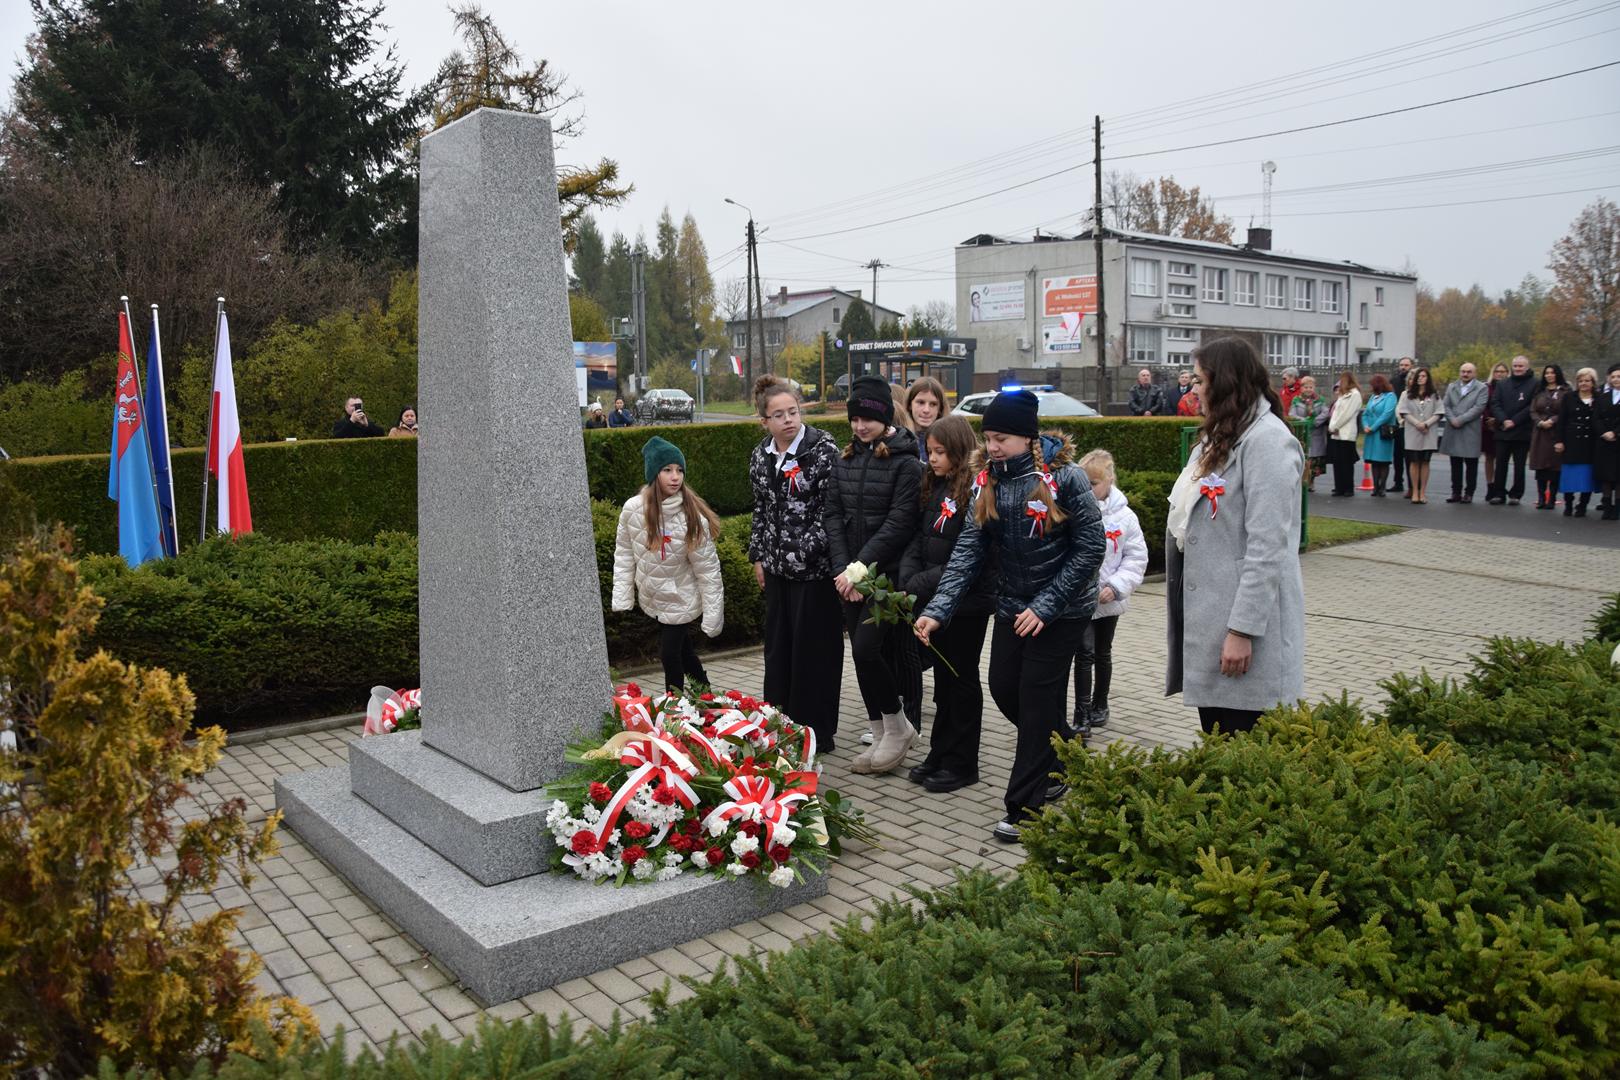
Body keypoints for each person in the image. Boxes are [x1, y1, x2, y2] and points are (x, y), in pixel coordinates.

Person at [913, 389, 1105, 844]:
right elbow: (968, 551)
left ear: (1028, 437)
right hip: (1013, 604)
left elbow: (1091, 548)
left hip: (1064, 609)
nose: (994, 446)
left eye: (1003, 438)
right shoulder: (988, 482)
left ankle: (1025, 807)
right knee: (1002, 685)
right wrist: (938, 610)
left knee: (1037, 699)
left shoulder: (1066, 479)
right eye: (990, 437)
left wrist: (1047, 605)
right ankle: (1062, 751)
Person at [1165, 336, 1305, 737]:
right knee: (1218, 739)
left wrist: (1242, 631)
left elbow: (1268, 549)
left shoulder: (1269, 443)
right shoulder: (1218, 438)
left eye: (1198, 380)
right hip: (1211, 622)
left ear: (1224, 382)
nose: (1193, 389)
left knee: (1244, 750)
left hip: (1243, 634)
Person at [828, 376, 924, 774]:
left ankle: (898, 727)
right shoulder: (845, 459)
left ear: (885, 417)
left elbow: (899, 524)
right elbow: (833, 515)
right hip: (848, 578)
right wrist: (842, 570)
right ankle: (879, 730)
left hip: (887, 577)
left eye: (868, 418)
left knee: (869, 649)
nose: (860, 426)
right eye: (855, 419)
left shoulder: (906, 463)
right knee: (861, 656)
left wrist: (858, 569)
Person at [746, 376, 845, 749]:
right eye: (779, 415)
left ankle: (817, 730)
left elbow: (832, 512)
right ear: (764, 422)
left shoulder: (821, 450)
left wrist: (802, 552)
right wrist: (759, 555)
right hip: (776, 570)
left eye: (793, 412)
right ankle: (781, 722)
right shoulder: (761, 454)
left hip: (813, 572)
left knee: (814, 650)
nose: (788, 420)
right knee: (779, 647)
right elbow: (761, 508)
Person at [898, 414, 994, 793]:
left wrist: (919, 583)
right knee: (942, 682)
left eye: (940, 452)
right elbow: (920, 539)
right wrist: (909, 578)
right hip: (934, 599)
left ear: (959, 451)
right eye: (930, 451)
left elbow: (967, 558)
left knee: (961, 680)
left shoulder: (976, 491)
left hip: (967, 603)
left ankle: (963, 762)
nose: (932, 458)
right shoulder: (934, 486)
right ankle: (941, 752)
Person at [611, 436, 724, 692]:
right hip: (655, 598)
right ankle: (707, 698)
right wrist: (622, 595)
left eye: (680, 470)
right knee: (685, 654)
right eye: (667, 470)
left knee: (669, 654)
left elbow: (708, 571)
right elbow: (625, 553)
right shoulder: (632, 510)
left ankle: (674, 709)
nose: (676, 477)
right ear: (654, 474)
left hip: (682, 596)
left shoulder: (691, 519)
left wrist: (713, 616)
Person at [1072, 449, 1147, 738]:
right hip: (1081, 597)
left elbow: (1135, 557)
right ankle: (1081, 711)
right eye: (1085, 483)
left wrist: (1115, 587)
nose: (1089, 489)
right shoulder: (1076, 511)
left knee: (1102, 652)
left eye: (1094, 483)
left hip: (1108, 598)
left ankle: (1100, 704)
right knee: (1084, 652)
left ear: (1110, 480)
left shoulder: (1126, 517)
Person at [1487, 355, 1537, 505]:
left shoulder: (1535, 383)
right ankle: (1498, 493)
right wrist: (1504, 420)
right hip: (1503, 430)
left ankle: (1516, 494)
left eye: (1521, 366)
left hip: (1522, 431)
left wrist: (1514, 421)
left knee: (1519, 465)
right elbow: (1495, 403)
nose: (1518, 369)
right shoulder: (1503, 384)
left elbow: (1531, 406)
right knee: (1500, 464)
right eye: (1515, 366)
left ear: (1527, 367)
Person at [1554, 368, 1601, 517]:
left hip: (1590, 443)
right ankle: (1568, 504)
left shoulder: (1599, 398)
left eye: (1587, 381)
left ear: (1593, 382)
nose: (1584, 384)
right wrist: (1559, 441)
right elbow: (1562, 421)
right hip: (1571, 441)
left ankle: (1582, 505)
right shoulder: (1569, 397)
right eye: (1581, 381)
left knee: (1587, 476)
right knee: (1570, 476)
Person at [1440, 363, 1488, 503]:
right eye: (1463, 371)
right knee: (1455, 462)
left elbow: (1479, 407)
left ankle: (1469, 492)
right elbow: (1446, 404)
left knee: (1471, 463)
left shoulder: (1481, 388)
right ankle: (1456, 492)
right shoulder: (1452, 386)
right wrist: (1452, 419)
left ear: (1475, 373)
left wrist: (1460, 419)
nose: (1465, 374)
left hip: (1470, 429)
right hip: (1453, 428)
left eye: (1469, 372)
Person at [1396, 366, 1444, 504]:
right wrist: (1417, 423)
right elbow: (1404, 412)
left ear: (1428, 378)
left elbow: (1439, 412)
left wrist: (1427, 424)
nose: (1421, 378)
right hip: (1413, 431)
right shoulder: (1408, 394)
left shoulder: (1434, 395)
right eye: (1419, 376)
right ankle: (1414, 491)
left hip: (1428, 432)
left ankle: (1423, 491)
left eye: (1424, 376)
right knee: (1414, 461)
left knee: (1425, 461)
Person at [1528, 364, 1568, 510]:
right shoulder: (1539, 391)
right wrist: (1539, 422)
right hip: (1540, 433)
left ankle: (1552, 498)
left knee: (1554, 467)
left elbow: (1565, 410)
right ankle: (1541, 498)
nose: (1549, 375)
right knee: (1541, 467)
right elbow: (1532, 410)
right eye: (1547, 373)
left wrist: (1553, 420)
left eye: (1552, 373)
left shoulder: (1565, 391)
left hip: (1556, 432)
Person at [1360, 374, 1398, 497]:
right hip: (1370, 433)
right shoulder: (1373, 397)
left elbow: (1387, 414)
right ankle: (1375, 486)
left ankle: (1382, 487)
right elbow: (1365, 413)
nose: (1371, 388)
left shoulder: (1390, 397)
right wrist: (1365, 425)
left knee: (1383, 461)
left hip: (1383, 432)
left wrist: (1373, 427)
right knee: (1374, 461)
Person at [1289, 375, 1329, 492]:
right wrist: (1304, 421)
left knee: (1314, 460)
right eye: (1306, 387)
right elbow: (1292, 414)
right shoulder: (1296, 400)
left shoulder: (1320, 400)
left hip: (1316, 433)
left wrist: (1315, 421)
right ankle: (1303, 482)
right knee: (1304, 458)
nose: (1308, 389)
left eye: (1310, 387)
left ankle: (1311, 482)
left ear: (1314, 388)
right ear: (1301, 388)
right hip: (1303, 432)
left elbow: (1325, 413)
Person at [1326, 372, 1363, 497]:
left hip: (1346, 432)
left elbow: (1347, 414)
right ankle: (1339, 487)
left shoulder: (1355, 395)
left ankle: (1348, 488)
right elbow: (1335, 413)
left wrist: (1335, 426)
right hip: (1336, 433)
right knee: (1337, 461)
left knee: (1346, 462)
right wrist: (1332, 427)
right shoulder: (1342, 395)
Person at [905, 377, 950, 464]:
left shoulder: (951, 441)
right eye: (921, 402)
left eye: (933, 404)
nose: (926, 410)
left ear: (940, 408)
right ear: (910, 405)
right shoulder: (899, 440)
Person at [1597, 363, 1620, 520]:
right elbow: (1596, 418)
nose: (1616, 379)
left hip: (1618, 440)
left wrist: (1615, 433)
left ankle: (1617, 507)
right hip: (1604, 441)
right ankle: (1606, 505)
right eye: (1613, 377)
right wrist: (1604, 432)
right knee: (1605, 475)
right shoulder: (1603, 397)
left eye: (1619, 376)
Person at [1481, 362, 1509, 486]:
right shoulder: (1487, 388)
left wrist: (1499, 420)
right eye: (1497, 371)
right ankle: (1490, 484)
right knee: (1489, 457)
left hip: (1504, 426)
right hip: (1488, 427)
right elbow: (1483, 405)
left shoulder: (1510, 387)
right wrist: (1489, 419)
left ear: (1507, 373)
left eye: (1502, 371)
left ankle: (1499, 485)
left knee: (1502, 458)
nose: (1499, 374)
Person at [1388, 357, 1413, 492]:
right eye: (1401, 365)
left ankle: (1411, 484)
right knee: (1397, 455)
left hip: (1410, 422)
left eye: (1406, 365)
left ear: (1411, 366)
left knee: (1409, 456)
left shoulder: (1414, 382)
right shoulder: (1394, 381)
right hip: (1396, 422)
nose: (1403, 367)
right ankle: (1398, 482)